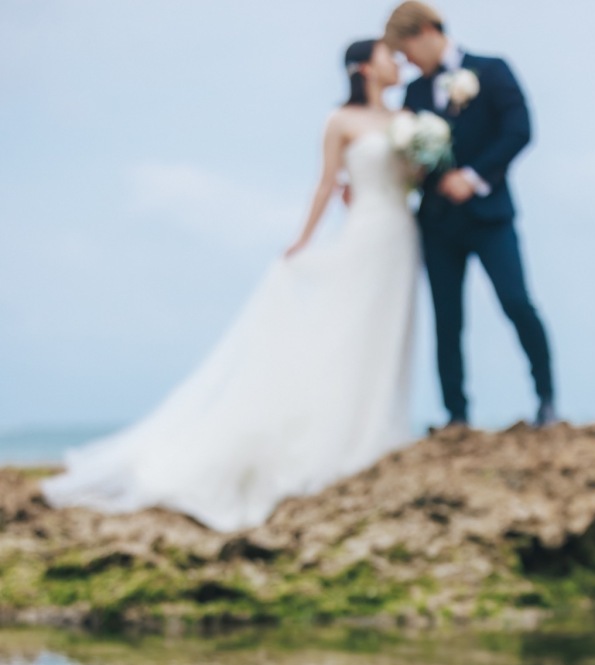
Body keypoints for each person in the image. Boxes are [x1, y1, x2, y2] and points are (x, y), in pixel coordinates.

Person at [43, 41, 418, 534]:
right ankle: (342, 437)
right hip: (365, 229)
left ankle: (379, 430)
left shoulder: (409, 120)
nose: (397, 63)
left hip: (402, 232)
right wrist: (302, 242)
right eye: (389, 55)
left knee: (387, 335)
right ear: (365, 67)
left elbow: (412, 176)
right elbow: (326, 184)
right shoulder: (341, 121)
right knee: (345, 333)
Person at [385, 2, 556, 428]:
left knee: (516, 302)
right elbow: (410, 155)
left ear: (426, 31)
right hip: (437, 223)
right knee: (447, 320)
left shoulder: (492, 70)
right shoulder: (414, 93)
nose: (407, 62)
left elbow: (519, 130)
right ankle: (456, 416)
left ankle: (546, 400)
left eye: (406, 51)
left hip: (490, 216)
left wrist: (474, 176)